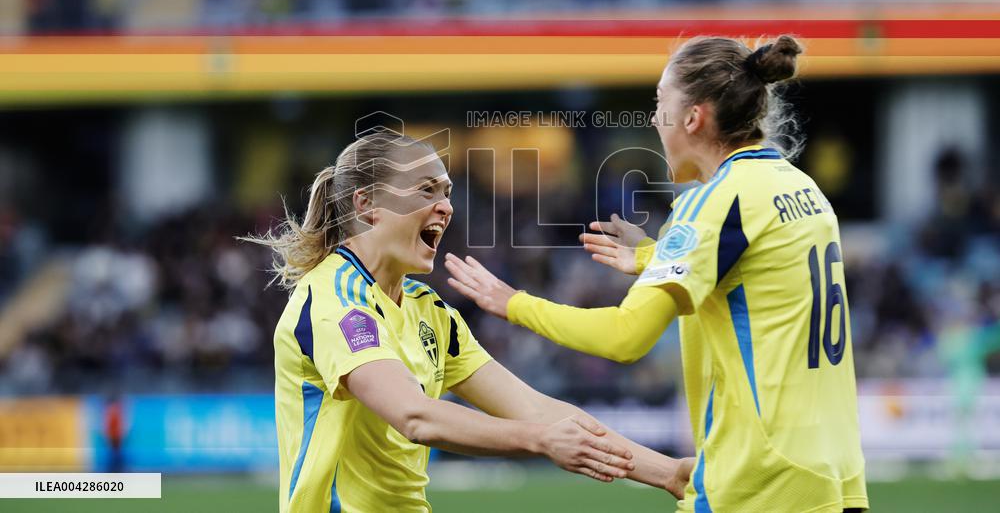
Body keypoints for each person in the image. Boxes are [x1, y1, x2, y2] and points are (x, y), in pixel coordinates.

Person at [446, 36, 869, 513]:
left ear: (693, 117)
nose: (651, 118)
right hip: (833, 472)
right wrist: (653, 256)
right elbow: (752, 277)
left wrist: (513, 303)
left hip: (758, 481)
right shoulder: (801, 187)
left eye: (658, 102)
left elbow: (626, 338)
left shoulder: (712, 203)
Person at [246, 132, 692, 513]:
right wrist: (540, 440)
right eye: (426, 190)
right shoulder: (334, 301)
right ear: (367, 205)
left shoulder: (428, 310)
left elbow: (537, 408)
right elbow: (415, 416)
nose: (445, 207)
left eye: (446, 193)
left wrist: (670, 473)